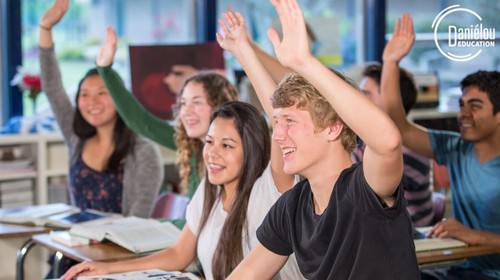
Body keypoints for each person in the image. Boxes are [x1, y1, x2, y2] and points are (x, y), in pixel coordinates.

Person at [225, 0, 420, 279]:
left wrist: (304, 62)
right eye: (277, 123)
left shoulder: (364, 190)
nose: (277, 135)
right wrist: (244, 51)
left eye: (289, 123)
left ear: (333, 128)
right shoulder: (293, 207)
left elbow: (388, 141)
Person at [61, 101, 303, 280]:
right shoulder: (212, 188)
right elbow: (179, 254)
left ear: (253, 150)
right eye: (209, 142)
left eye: (227, 145)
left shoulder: (269, 188)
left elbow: (277, 114)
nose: (212, 153)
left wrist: (243, 49)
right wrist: (106, 268)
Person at [39, 0, 163, 276]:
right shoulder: (76, 137)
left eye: (102, 93)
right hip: (75, 250)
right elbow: (52, 87)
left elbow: (136, 222)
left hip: (117, 258)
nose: (91, 102)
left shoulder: (143, 151)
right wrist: (45, 28)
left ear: (119, 99)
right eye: (84, 94)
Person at [378, 13, 500, 280]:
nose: (463, 114)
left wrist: (472, 235)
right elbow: (399, 127)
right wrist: (390, 62)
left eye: (475, 106)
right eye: (461, 105)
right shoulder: (455, 147)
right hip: (462, 269)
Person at [96, 27, 238, 203]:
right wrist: (105, 69)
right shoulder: (193, 145)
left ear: (220, 106)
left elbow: (206, 225)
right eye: (183, 103)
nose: (187, 111)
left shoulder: (234, 157)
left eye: (197, 102)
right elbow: (141, 122)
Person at [352, 62, 434, 227]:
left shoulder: (409, 149)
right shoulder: (364, 139)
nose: (358, 100)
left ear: (392, 100)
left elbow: (367, 194)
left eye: (366, 94)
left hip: (409, 236)